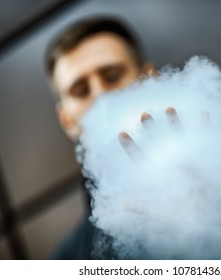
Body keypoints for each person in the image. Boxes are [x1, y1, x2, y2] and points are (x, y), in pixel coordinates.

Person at [45, 17, 156, 259]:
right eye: (80, 91)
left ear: (150, 78)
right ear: (67, 121)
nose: (101, 97)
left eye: (113, 76)